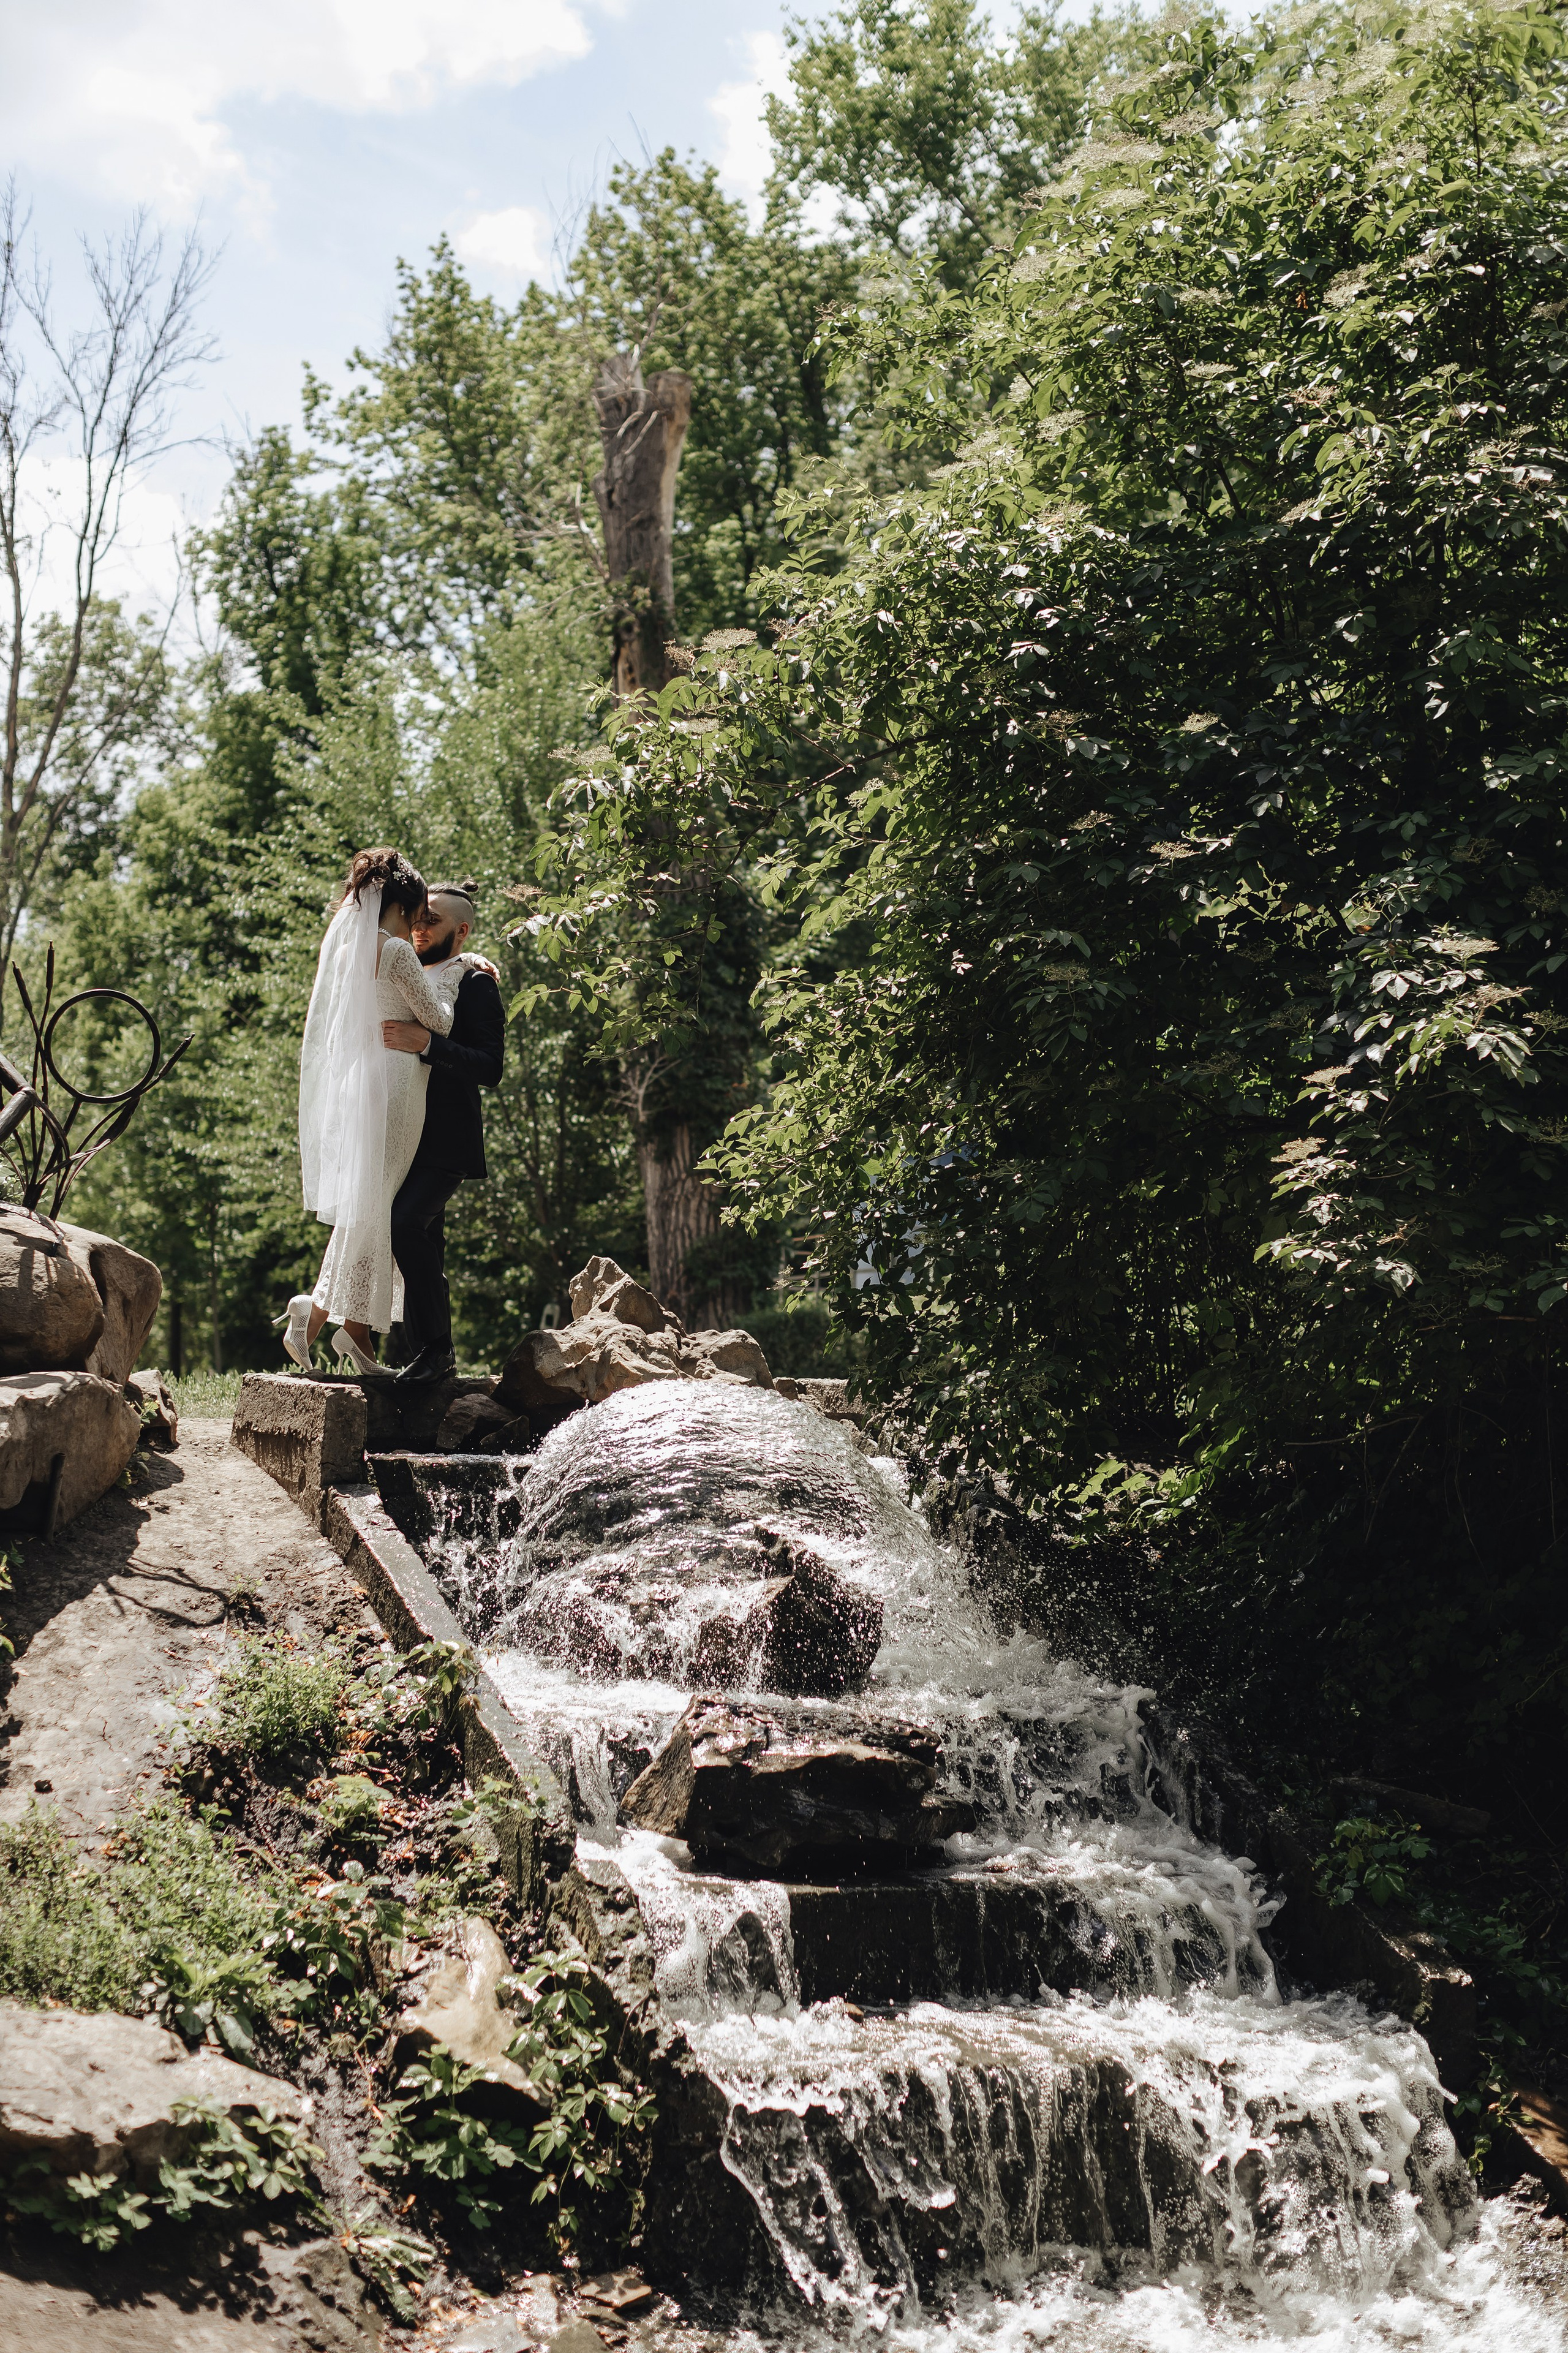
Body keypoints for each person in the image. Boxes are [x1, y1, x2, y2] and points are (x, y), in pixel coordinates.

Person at [279, 848, 467, 1375]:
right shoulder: (399, 953)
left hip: (366, 1081)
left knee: (372, 1205)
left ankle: (351, 1336)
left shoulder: (350, 951)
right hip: (399, 1084)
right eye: (419, 915)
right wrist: (459, 971)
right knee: (376, 1208)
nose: (419, 925)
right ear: (404, 907)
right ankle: (315, 1314)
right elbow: (440, 1019)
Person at [382, 879, 505, 1384]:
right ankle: (421, 1357)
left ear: (462, 930)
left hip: (445, 1141)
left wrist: (427, 1044)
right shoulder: (405, 970)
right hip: (399, 1136)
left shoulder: (477, 982)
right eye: (418, 915)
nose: (420, 924)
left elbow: (490, 1066)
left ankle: (435, 1351)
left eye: (433, 919)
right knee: (425, 1242)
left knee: (406, 1223)